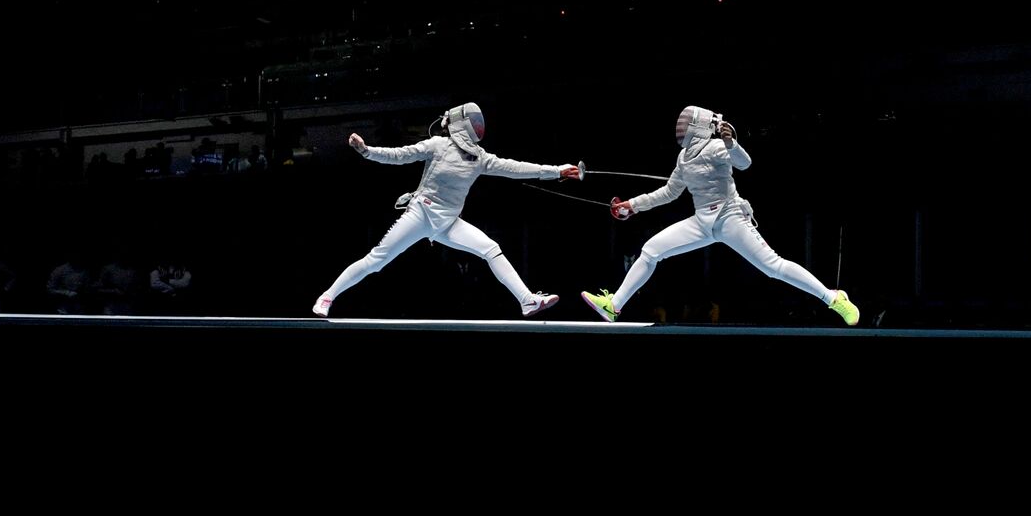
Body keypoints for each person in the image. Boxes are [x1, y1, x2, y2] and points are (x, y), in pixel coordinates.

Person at [580, 106, 859, 325]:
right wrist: (632, 205)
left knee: (773, 267)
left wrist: (731, 144)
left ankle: (833, 298)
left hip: (730, 217)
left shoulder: (716, 147)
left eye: (686, 123)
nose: (680, 128)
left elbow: (744, 163)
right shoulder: (683, 158)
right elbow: (669, 192)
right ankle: (614, 306)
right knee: (651, 250)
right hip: (702, 222)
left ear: (699, 126)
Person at [312, 102, 581, 318]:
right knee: (376, 261)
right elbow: (399, 155)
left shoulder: (480, 158)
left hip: (449, 222)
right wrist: (367, 151)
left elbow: (516, 168)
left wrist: (556, 171)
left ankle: (527, 300)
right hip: (421, 214)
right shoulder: (438, 145)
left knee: (490, 248)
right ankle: (327, 296)